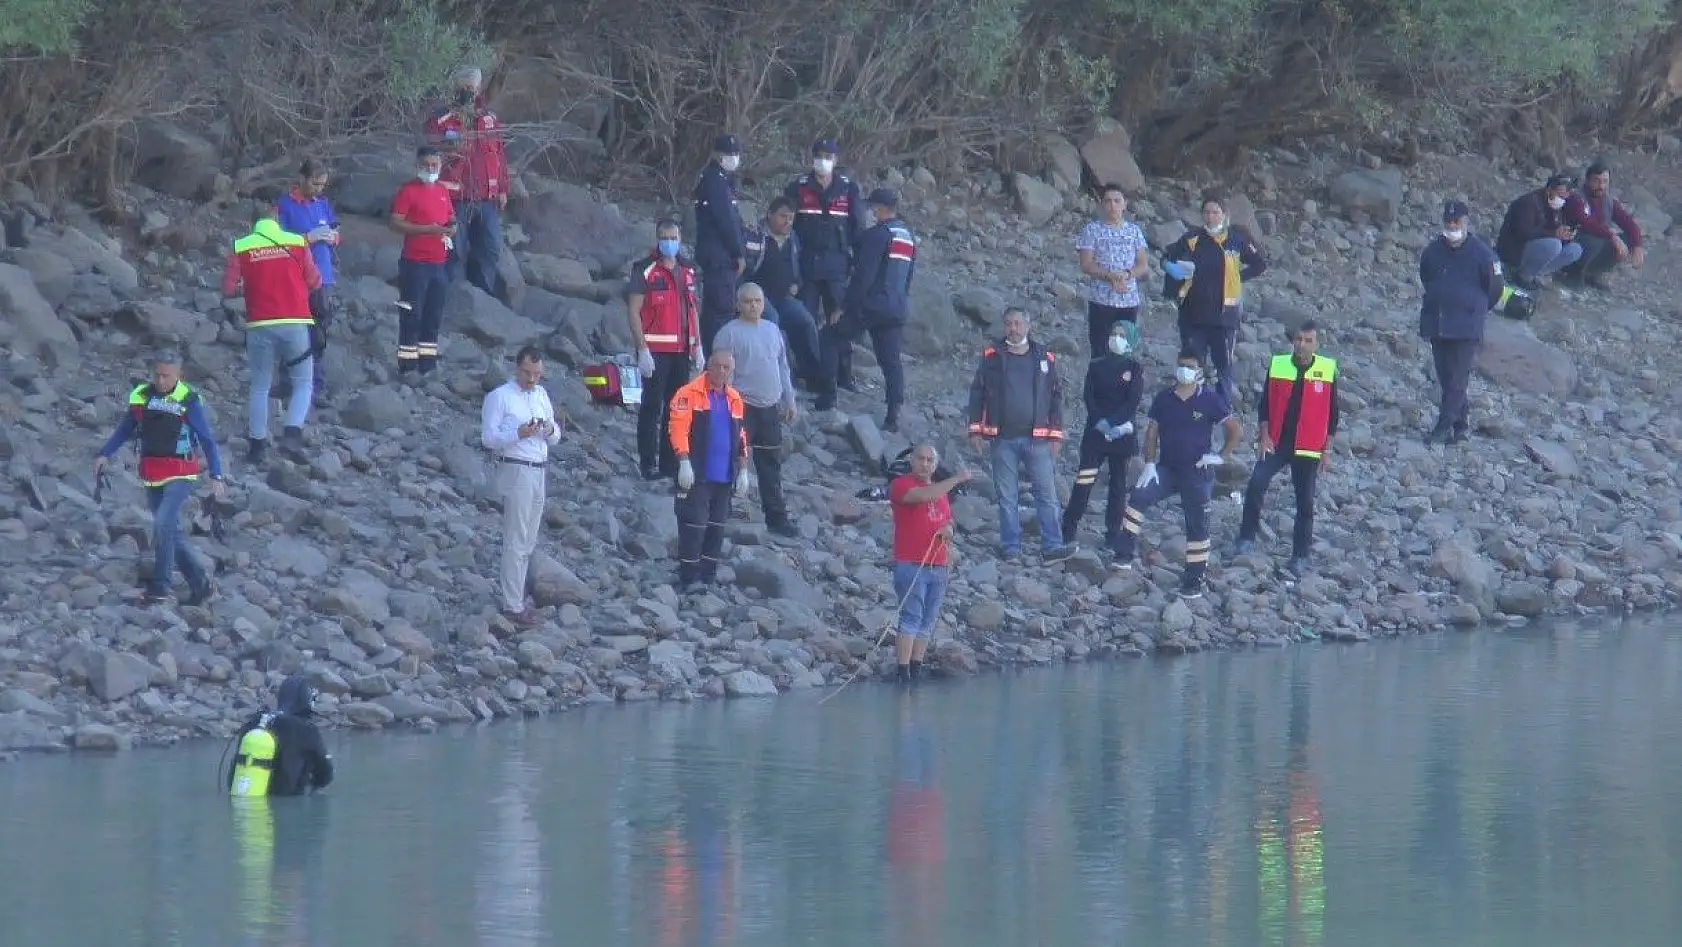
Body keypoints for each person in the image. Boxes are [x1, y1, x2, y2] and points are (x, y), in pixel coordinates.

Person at [94, 350, 227, 607]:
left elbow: (207, 440)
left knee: (163, 523)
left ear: (179, 375)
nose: (161, 380)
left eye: (166, 376)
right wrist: (104, 453)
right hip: (152, 472)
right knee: (170, 532)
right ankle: (201, 585)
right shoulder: (142, 396)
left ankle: (160, 587)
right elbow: (126, 428)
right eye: (157, 375)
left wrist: (216, 475)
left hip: (182, 471)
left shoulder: (189, 400)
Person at [1114, 350, 1241, 597]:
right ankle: (1123, 554)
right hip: (1167, 469)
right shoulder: (1164, 398)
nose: (1184, 370)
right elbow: (1152, 432)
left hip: (1197, 472)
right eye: (1181, 365)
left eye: (1190, 366)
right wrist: (1149, 463)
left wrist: (1220, 456)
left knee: (1197, 526)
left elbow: (1235, 429)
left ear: (1200, 371)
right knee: (1138, 497)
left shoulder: (1210, 399)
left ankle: (1194, 579)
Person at [966, 307, 1076, 564]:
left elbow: (1055, 397)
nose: (1013, 329)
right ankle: (1011, 548)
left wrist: (1055, 435)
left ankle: (1052, 546)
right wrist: (975, 430)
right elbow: (977, 393)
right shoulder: (992, 356)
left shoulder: (1044, 356)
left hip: (1038, 439)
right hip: (1002, 439)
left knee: (1047, 495)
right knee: (1007, 497)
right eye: (1008, 324)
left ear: (1027, 326)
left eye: (1017, 323)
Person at [1235, 321, 1339, 575]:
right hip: (1277, 441)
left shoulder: (1327, 369)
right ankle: (1246, 537)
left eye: (1308, 341)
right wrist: (1264, 437)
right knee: (1256, 483)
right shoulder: (1278, 364)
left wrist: (1327, 451)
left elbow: (1333, 415)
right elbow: (1265, 405)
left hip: (1309, 447)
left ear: (1316, 344)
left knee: (1305, 502)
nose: (1302, 344)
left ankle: (1300, 556)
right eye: (1299, 339)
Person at [222, 204, 319, 464]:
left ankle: (257, 446)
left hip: (260, 324)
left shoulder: (241, 246)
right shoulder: (297, 242)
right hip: (295, 321)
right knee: (303, 382)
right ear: (277, 219)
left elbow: (229, 288)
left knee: (260, 385)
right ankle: (292, 433)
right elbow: (314, 280)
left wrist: (247, 286)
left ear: (252, 223)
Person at [480, 346, 562, 629]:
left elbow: (556, 436)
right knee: (516, 538)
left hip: (539, 468)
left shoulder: (541, 395)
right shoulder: (500, 397)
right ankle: (512, 605)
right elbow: (488, 438)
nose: (532, 379)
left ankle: (518, 596)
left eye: (537, 374)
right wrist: (518, 433)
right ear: (517, 368)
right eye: (527, 373)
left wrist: (548, 430)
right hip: (516, 467)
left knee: (528, 539)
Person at [1162, 190, 1267, 406]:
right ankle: (1190, 406)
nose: (1211, 217)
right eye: (1207, 212)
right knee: (1191, 364)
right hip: (1193, 315)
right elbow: (1167, 256)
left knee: (1224, 367)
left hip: (1225, 317)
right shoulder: (1192, 238)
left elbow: (1259, 264)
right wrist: (1172, 269)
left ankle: (1222, 409)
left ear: (1224, 215)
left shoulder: (1236, 239)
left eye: (1215, 212)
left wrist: (1237, 277)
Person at [710, 283, 798, 537]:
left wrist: (789, 399)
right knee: (730, 458)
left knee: (770, 464)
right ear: (738, 305)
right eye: (748, 301)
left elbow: (782, 367)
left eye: (757, 301)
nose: (753, 306)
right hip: (741, 406)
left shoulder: (772, 330)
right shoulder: (728, 334)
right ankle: (719, 511)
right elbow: (720, 374)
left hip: (770, 406)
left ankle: (777, 518)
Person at [827, 187, 917, 430]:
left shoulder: (878, 234)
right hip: (896, 306)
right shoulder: (907, 235)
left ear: (880, 208)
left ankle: (826, 396)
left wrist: (844, 307)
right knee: (891, 361)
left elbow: (863, 277)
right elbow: (908, 276)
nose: (869, 211)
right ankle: (893, 415)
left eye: (872, 207)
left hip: (871, 306)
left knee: (830, 338)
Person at [1419, 200, 1503, 444]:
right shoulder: (1433, 251)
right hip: (1438, 321)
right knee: (1446, 376)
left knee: (1457, 378)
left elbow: (1495, 288)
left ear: (1466, 222)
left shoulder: (1483, 255)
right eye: (1449, 222)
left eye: (1457, 222)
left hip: (1466, 326)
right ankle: (1461, 424)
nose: (1453, 226)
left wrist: (1474, 308)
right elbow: (1426, 276)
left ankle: (1444, 425)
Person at [425, 64, 510, 302]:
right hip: (455, 197)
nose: (470, 92)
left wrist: (503, 189)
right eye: (465, 87)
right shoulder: (441, 119)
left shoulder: (489, 119)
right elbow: (432, 153)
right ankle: (451, 297)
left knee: (490, 248)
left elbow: (500, 156)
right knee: (454, 250)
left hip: (486, 197)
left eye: (473, 88)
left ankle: (482, 298)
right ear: (455, 87)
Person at [627, 219, 704, 480]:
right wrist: (642, 350)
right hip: (655, 350)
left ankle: (670, 465)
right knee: (651, 407)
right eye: (664, 237)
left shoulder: (688, 270)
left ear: (680, 239)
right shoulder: (645, 269)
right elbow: (633, 312)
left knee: (677, 407)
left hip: (681, 351)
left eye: (673, 237)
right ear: (657, 239)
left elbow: (693, 310)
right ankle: (648, 464)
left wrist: (698, 346)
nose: (668, 242)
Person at [667, 350, 751, 590]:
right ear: (709, 366)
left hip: (724, 477)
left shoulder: (734, 398)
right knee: (693, 526)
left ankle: (708, 576)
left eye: (727, 368)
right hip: (697, 474)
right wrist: (684, 462)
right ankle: (689, 578)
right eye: (717, 366)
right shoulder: (688, 393)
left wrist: (743, 470)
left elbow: (741, 436)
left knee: (716, 528)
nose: (721, 371)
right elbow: (678, 429)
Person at [1060, 320, 1143, 554]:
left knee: (1118, 486)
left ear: (1131, 340)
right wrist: (1099, 421)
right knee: (1084, 480)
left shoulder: (1135, 368)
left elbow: (1132, 401)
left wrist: (1115, 423)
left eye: (1122, 335)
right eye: (1114, 333)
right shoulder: (1097, 365)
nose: (1116, 338)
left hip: (1122, 434)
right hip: (1096, 432)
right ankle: (1069, 527)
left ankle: (1113, 533)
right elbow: (1089, 395)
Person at [786, 138, 862, 394]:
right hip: (806, 265)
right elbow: (788, 227)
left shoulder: (848, 189)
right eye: (819, 156)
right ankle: (809, 372)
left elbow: (857, 229)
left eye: (828, 157)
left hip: (837, 266)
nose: (823, 161)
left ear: (836, 160)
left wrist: (857, 263)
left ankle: (843, 374)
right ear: (812, 158)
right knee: (804, 321)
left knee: (840, 319)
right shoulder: (798, 187)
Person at [889, 445, 969, 683]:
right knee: (911, 617)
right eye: (921, 459)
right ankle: (903, 672)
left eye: (930, 460)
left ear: (935, 465)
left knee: (928, 619)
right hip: (911, 563)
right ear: (912, 461)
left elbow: (948, 520)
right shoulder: (901, 485)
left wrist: (949, 530)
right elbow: (922, 497)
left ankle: (916, 668)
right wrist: (956, 478)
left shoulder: (939, 491)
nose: (925, 464)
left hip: (938, 564)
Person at [275, 157, 341, 396]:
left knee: (319, 333)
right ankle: (288, 384)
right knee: (292, 330)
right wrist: (306, 238)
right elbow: (276, 241)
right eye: (315, 183)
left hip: (323, 277)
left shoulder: (322, 204)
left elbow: (336, 229)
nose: (318, 189)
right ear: (302, 178)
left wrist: (334, 237)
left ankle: (315, 387)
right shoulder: (284, 205)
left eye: (322, 184)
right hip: (295, 277)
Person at [389, 145, 456, 377]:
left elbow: (450, 216)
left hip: (439, 262)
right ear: (418, 165)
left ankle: (428, 364)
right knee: (411, 313)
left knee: (433, 314)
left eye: (434, 165)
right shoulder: (408, 191)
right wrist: (426, 229)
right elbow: (395, 222)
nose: (430, 169)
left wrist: (452, 227)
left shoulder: (442, 190)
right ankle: (407, 365)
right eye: (426, 165)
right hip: (414, 262)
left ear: (440, 166)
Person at [743, 197, 821, 385]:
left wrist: (797, 282)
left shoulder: (792, 238)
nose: (787, 222)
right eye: (783, 216)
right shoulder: (755, 235)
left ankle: (814, 375)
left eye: (791, 218)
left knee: (806, 322)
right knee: (773, 321)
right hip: (760, 297)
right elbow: (746, 269)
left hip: (784, 297)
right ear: (770, 214)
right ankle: (782, 379)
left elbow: (798, 265)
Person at [227, 675, 334, 797]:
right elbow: (325, 774)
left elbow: (232, 776)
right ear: (305, 698)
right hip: (288, 802)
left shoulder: (255, 722)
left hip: (246, 794)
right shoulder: (306, 729)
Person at [1076, 182, 1149, 354]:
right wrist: (1109, 276)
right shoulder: (1092, 230)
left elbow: (1143, 265)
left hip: (1128, 299)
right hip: (1101, 299)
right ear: (1102, 204)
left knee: (1124, 351)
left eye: (1117, 201)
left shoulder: (1134, 231)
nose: (1112, 205)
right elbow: (1086, 264)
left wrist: (1127, 274)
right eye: (1108, 201)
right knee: (1100, 350)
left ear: (1124, 204)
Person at [692, 133, 747, 354]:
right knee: (720, 312)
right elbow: (725, 220)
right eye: (727, 153)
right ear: (716, 154)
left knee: (718, 310)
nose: (732, 157)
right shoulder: (715, 180)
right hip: (718, 256)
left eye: (735, 153)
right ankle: (714, 359)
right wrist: (738, 252)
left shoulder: (723, 180)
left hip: (718, 255)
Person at [1561, 160, 1645, 290]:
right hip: (1571, 246)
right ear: (1588, 180)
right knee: (1596, 239)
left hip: (1595, 246)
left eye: (1605, 181)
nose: (1601, 186)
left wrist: (1638, 245)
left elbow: (1628, 222)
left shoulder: (1609, 201)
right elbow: (1586, 222)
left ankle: (1592, 273)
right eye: (1596, 181)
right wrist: (1612, 236)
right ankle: (1572, 275)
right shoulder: (1576, 197)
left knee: (1627, 238)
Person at [1495, 173, 1583, 290]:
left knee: (1575, 249)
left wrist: (1565, 235)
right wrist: (1554, 234)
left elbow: (1555, 227)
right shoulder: (1529, 203)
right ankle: (1523, 276)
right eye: (1560, 196)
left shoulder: (1555, 207)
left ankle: (1535, 274)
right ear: (1549, 189)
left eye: (1564, 198)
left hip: (1537, 248)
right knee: (1554, 245)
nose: (1562, 200)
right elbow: (1522, 232)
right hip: (1515, 250)